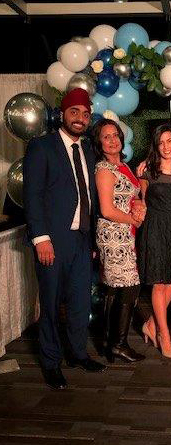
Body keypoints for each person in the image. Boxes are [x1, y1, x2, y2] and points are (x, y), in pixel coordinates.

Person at [23, 88, 106, 390]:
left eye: (85, 114)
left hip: (83, 241)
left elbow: (92, 196)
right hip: (52, 240)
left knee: (80, 302)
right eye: (74, 113)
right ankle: (50, 362)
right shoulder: (41, 146)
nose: (80, 119)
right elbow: (32, 196)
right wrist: (40, 238)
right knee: (51, 301)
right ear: (62, 113)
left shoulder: (88, 150)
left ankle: (78, 354)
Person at [93, 118, 146, 363]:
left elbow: (132, 195)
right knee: (127, 286)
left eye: (116, 135)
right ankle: (118, 344)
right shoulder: (104, 170)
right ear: (99, 142)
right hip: (113, 234)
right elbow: (106, 209)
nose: (113, 140)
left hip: (125, 233)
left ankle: (110, 341)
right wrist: (132, 220)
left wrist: (138, 205)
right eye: (106, 136)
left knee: (119, 288)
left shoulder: (124, 166)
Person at [138, 124, 171, 358]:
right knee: (159, 284)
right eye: (161, 142)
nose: (166, 146)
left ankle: (151, 323)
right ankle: (164, 336)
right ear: (156, 147)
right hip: (155, 227)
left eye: (170, 141)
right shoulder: (147, 171)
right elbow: (142, 202)